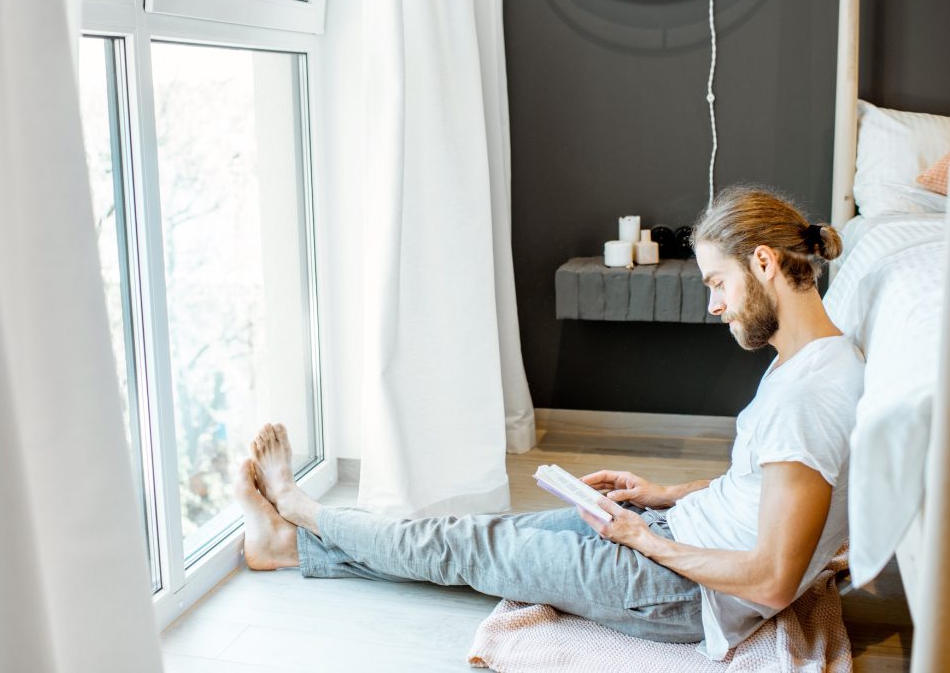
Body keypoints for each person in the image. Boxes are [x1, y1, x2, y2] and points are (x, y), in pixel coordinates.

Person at [234, 186, 864, 660]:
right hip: (674, 535)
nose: (713, 305)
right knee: (477, 533)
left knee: (468, 545)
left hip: (674, 587)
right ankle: (288, 550)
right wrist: (661, 497)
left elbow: (775, 581)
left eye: (717, 282)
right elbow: (760, 492)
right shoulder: (818, 363)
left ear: (762, 263)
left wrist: (645, 540)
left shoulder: (807, 401)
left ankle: (300, 510)